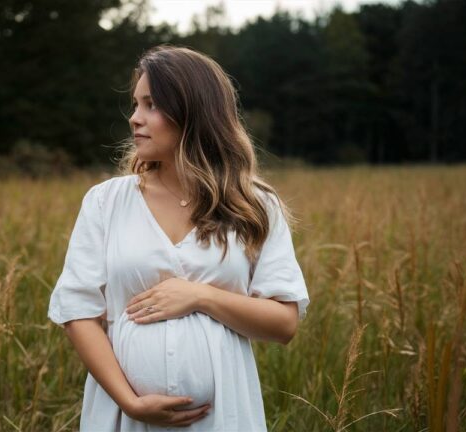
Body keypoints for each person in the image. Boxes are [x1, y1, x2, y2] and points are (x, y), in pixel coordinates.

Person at [47, 44, 310, 431]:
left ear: (193, 111)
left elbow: (284, 323)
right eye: (136, 104)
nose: (135, 118)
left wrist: (200, 296)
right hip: (123, 418)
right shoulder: (106, 202)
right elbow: (78, 311)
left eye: (151, 105)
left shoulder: (254, 206)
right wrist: (130, 402)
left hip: (223, 417)